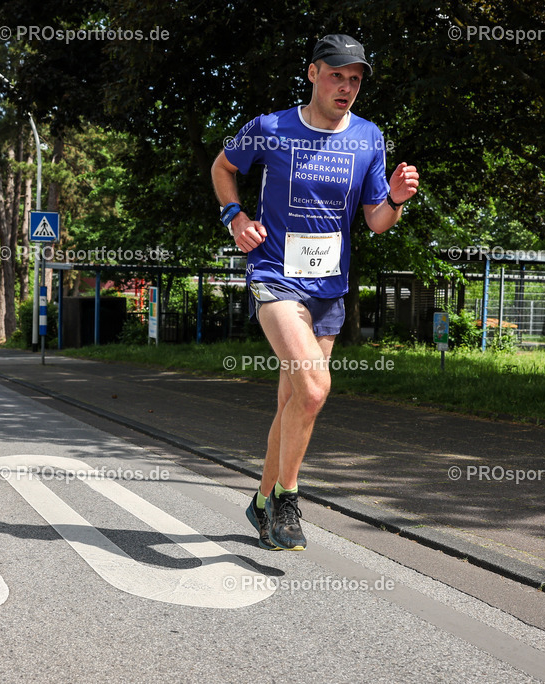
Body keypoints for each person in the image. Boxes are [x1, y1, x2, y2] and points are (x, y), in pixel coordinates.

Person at [211, 34, 418, 551]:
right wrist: (234, 216)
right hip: (274, 276)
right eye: (336, 76)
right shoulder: (271, 127)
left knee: (294, 402)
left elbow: (375, 222)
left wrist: (394, 199)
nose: (346, 87)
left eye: (355, 79)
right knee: (315, 388)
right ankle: (288, 497)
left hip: (329, 286)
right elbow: (223, 168)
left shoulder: (369, 137)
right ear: (312, 74)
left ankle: (260, 501)